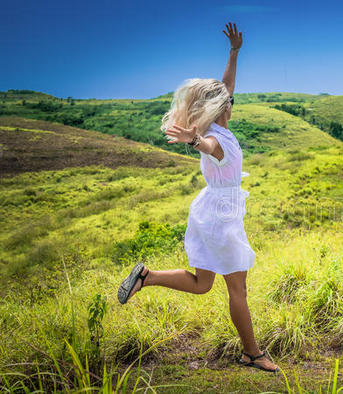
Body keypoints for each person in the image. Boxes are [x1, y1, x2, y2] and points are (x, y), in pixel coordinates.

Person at [116, 22, 280, 374]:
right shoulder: (214, 138)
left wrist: (234, 52)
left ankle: (148, 276)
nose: (231, 100)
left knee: (203, 284)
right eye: (227, 100)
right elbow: (206, 147)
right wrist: (193, 141)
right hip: (221, 215)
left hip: (211, 209)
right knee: (238, 288)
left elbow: (228, 86)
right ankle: (252, 353)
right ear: (219, 107)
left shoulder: (218, 125)